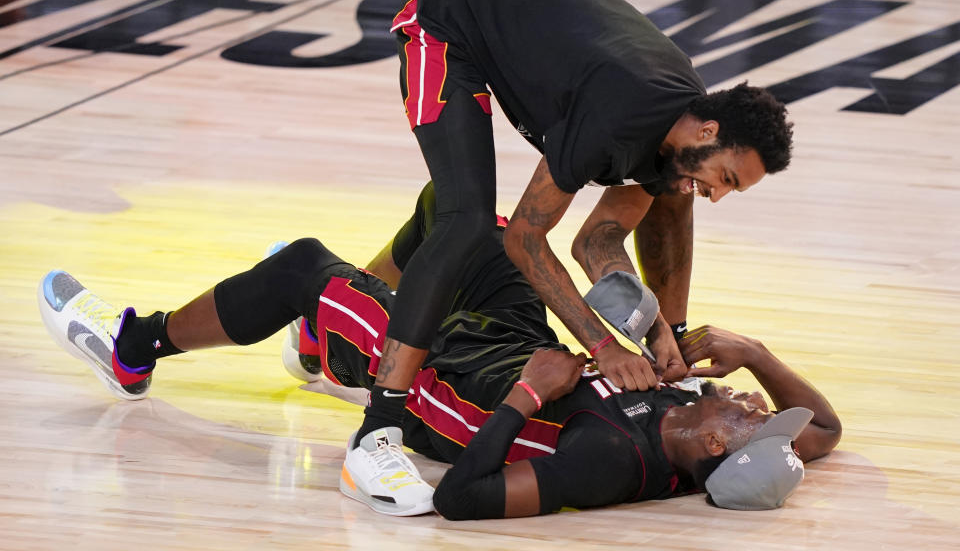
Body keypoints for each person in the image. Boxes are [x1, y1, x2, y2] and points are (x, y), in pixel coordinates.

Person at [38, 183, 838, 518]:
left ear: (711, 447)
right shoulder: (698, 430)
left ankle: (132, 349)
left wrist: (528, 396)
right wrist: (756, 350)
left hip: (449, 392)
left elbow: (465, 499)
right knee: (464, 217)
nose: (755, 407)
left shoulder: (611, 463)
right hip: (517, 347)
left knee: (299, 266)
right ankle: (331, 338)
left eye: (750, 420)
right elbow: (827, 434)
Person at [361, 0, 795, 513]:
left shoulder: (675, 133)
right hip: (450, 15)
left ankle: (353, 293)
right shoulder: (618, 115)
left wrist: (660, 334)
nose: (718, 193)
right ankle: (376, 431)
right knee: (466, 220)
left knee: (671, 200)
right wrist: (602, 345)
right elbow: (525, 239)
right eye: (727, 178)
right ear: (709, 130)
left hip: (517, 1)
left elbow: (597, 243)